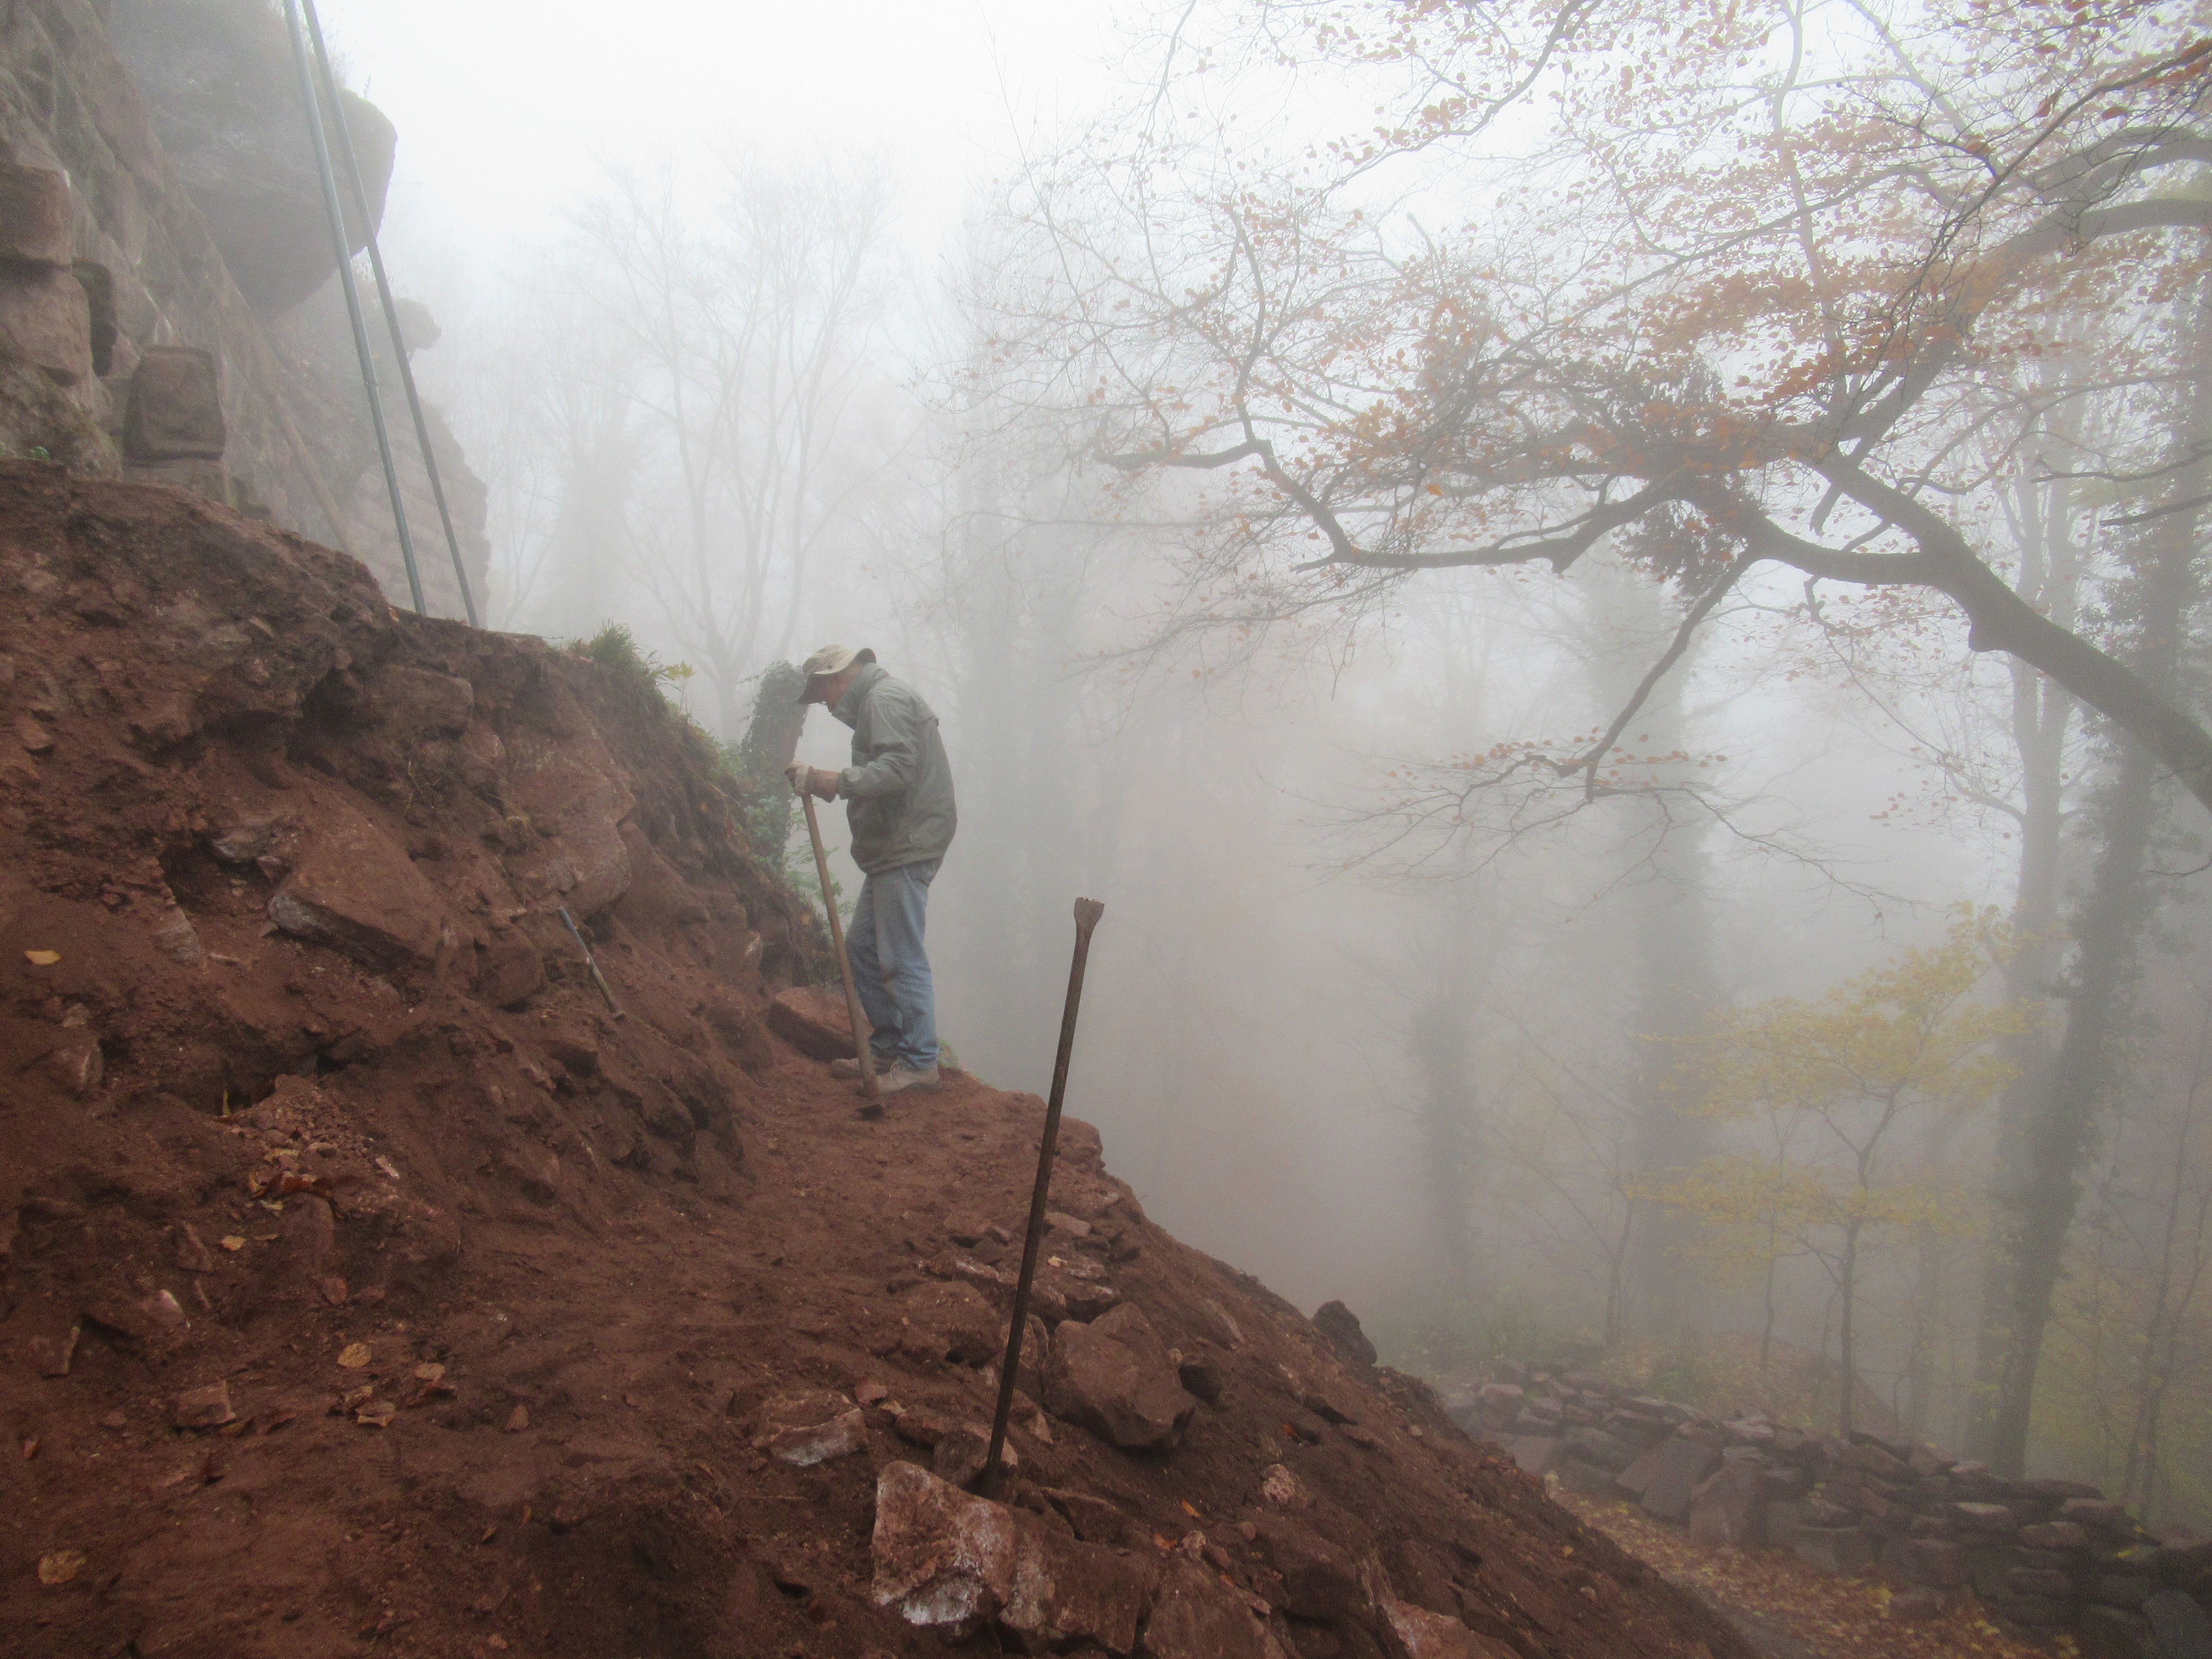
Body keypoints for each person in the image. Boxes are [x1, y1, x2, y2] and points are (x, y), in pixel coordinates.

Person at [786, 645, 957, 1095]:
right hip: (896, 845)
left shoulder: (884, 699)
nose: (826, 705)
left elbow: (898, 769)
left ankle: (920, 1064)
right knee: (862, 948)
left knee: (900, 957)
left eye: (822, 695)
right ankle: (890, 1046)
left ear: (837, 678)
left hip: (907, 843)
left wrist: (831, 781)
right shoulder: (880, 701)